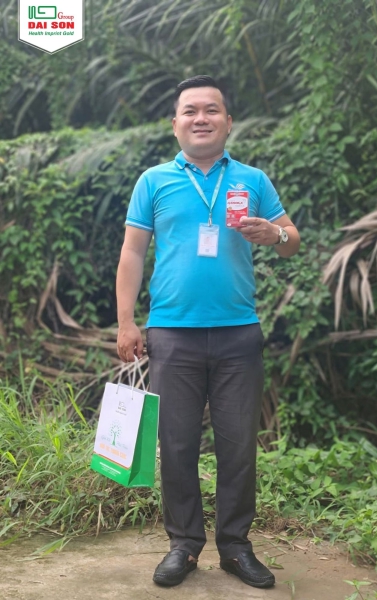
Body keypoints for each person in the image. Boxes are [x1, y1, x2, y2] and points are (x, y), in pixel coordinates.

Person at [116, 75, 300, 588]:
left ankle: (236, 547)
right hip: (172, 333)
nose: (202, 118)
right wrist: (127, 321)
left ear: (228, 121)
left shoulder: (252, 180)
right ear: (175, 123)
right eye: (191, 110)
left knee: (238, 447)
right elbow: (132, 252)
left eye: (212, 110)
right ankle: (184, 545)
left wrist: (275, 233)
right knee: (176, 445)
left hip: (239, 333)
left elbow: (292, 240)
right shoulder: (153, 181)